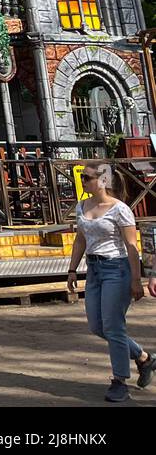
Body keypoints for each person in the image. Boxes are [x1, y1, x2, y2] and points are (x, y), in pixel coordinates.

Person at [66, 161, 155, 401]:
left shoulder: (120, 209)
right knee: (97, 326)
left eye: (87, 177)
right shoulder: (82, 206)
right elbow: (80, 240)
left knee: (114, 327)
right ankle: (144, 358)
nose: (83, 181)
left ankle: (119, 382)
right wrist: (72, 269)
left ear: (103, 181)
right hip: (93, 270)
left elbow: (131, 246)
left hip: (117, 269)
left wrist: (136, 280)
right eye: (82, 177)